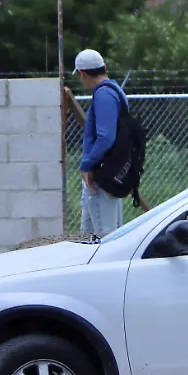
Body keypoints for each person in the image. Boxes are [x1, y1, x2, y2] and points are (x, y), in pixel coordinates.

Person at [75, 48, 127, 236]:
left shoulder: (103, 95)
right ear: (104, 67)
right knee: (88, 237)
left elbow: (105, 137)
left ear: (82, 73)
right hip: (112, 170)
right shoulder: (116, 91)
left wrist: (88, 165)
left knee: (105, 238)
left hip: (101, 173)